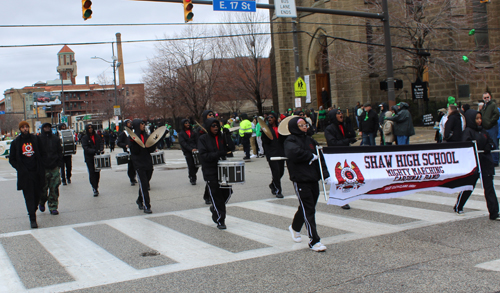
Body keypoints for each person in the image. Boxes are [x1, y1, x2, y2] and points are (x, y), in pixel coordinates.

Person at [285, 117, 330, 252]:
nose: (304, 127)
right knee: (308, 209)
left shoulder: (311, 140)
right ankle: (314, 240)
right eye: (301, 125)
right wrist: (309, 156)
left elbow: (320, 158)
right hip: (300, 179)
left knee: (307, 206)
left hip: (312, 178)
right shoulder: (290, 140)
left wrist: (325, 175)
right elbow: (293, 152)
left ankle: (294, 227)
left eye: (305, 124)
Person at [453, 109, 500, 220]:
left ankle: (494, 212)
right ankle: (459, 205)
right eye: (477, 119)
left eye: (480, 118)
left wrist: (489, 146)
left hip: (486, 162)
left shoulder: (483, 131)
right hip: (474, 163)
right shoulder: (468, 132)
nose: (479, 121)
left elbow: (491, 142)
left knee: (489, 187)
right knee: (469, 186)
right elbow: (466, 145)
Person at [198, 117, 236, 229]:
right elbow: (204, 155)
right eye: (213, 125)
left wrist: (227, 136)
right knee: (216, 195)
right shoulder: (203, 138)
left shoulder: (222, 136)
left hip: (223, 169)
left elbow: (231, 148)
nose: (215, 127)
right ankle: (220, 220)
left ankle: (215, 208)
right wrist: (218, 154)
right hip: (210, 170)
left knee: (228, 192)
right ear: (208, 127)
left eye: (217, 125)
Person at [9, 121, 45, 228]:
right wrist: (20, 168)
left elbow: (42, 153)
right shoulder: (16, 142)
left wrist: (41, 165)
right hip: (25, 175)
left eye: (26, 127)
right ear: (20, 129)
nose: (25, 129)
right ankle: (32, 219)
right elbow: (12, 159)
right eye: (23, 127)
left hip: (37, 172)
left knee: (37, 195)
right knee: (29, 197)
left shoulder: (35, 139)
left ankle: (33, 209)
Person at [324, 109, 357, 210]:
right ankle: (341, 199)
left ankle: (342, 197)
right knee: (339, 177)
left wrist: (349, 124)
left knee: (347, 177)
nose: (341, 114)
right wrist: (347, 140)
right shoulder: (329, 129)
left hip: (346, 155)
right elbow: (333, 143)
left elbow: (352, 136)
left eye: (341, 112)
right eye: (338, 113)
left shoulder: (344, 126)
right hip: (335, 156)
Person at [129, 119, 157, 214]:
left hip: (148, 162)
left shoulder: (146, 135)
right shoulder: (132, 137)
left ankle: (139, 200)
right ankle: (146, 206)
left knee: (145, 182)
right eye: (141, 123)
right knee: (144, 185)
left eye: (144, 123)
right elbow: (134, 152)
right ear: (137, 125)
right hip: (139, 164)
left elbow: (151, 150)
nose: (143, 125)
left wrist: (156, 140)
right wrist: (134, 143)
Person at [38, 122, 63, 215]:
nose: (47, 129)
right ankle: (42, 201)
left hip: (54, 167)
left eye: (49, 127)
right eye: (45, 127)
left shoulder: (55, 139)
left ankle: (53, 206)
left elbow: (60, 152)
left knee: (54, 188)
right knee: (43, 189)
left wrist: (59, 163)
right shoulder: (39, 139)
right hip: (43, 168)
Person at [262, 113, 286, 198]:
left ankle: (273, 184)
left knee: (281, 172)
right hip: (272, 153)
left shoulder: (280, 128)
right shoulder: (266, 129)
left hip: (281, 152)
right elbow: (265, 142)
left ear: (275, 118)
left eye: (271, 117)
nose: (269, 118)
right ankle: (278, 190)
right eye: (268, 117)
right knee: (275, 172)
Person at [81, 124, 104, 196]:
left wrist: (101, 149)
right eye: (89, 128)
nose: (90, 129)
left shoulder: (97, 136)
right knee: (92, 172)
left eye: (91, 128)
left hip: (97, 157)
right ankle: (94, 187)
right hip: (89, 158)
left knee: (97, 172)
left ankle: (96, 185)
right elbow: (85, 147)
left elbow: (101, 143)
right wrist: (93, 151)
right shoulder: (85, 138)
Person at [480, 91, 500, 166]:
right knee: (488, 143)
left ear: (490, 97)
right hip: (485, 127)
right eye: (485, 98)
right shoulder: (484, 106)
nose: (486, 99)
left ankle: (495, 160)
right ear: (483, 98)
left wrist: (490, 122)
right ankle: (490, 159)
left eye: (487, 97)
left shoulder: (492, 105)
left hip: (492, 127)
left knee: (494, 142)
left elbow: (496, 114)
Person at [178, 118, 199, 185]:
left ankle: (191, 174)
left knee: (197, 164)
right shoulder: (181, 134)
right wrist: (190, 149)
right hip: (187, 151)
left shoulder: (193, 132)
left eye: (188, 123)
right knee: (191, 165)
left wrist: (196, 147)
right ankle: (193, 178)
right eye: (186, 123)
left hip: (195, 149)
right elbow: (183, 143)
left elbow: (197, 140)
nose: (188, 124)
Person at [117, 119, 137, 186]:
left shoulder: (135, 131)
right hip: (129, 152)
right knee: (131, 166)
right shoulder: (124, 133)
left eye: (130, 122)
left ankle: (135, 176)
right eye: (128, 123)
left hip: (136, 151)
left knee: (136, 165)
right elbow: (118, 142)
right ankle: (132, 179)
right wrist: (125, 145)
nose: (130, 123)